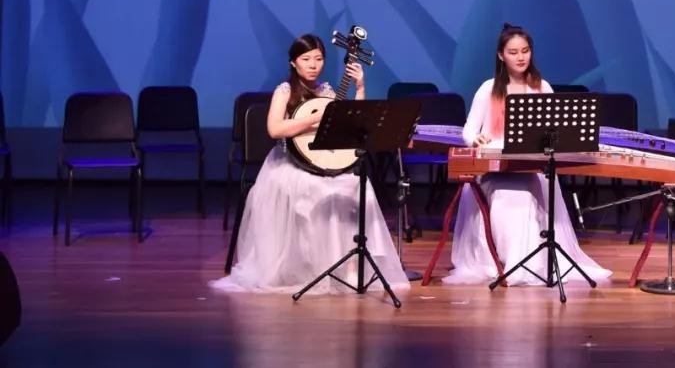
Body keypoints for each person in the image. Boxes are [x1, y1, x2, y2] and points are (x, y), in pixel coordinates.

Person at [212, 34, 409, 295]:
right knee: (317, 191)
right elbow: (274, 129)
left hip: (325, 162)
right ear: (293, 62)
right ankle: (310, 266)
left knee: (358, 187)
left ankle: (350, 266)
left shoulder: (327, 91)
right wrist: (313, 120)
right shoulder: (285, 91)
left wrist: (360, 88)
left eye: (318, 59)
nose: (313, 65)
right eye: (306, 59)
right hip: (289, 164)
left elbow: (352, 124)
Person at [443, 24, 611, 286]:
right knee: (510, 197)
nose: (520, 57)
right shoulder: (489, 88)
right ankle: (507, 263)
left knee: (528, 192)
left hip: (531, 166)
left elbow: (556, 129)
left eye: (525, 51)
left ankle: (530, 265)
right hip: (495, 169)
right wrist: (476, 139)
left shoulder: (541, 87)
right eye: (513, 52)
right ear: (501, 55)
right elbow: (468, 131)